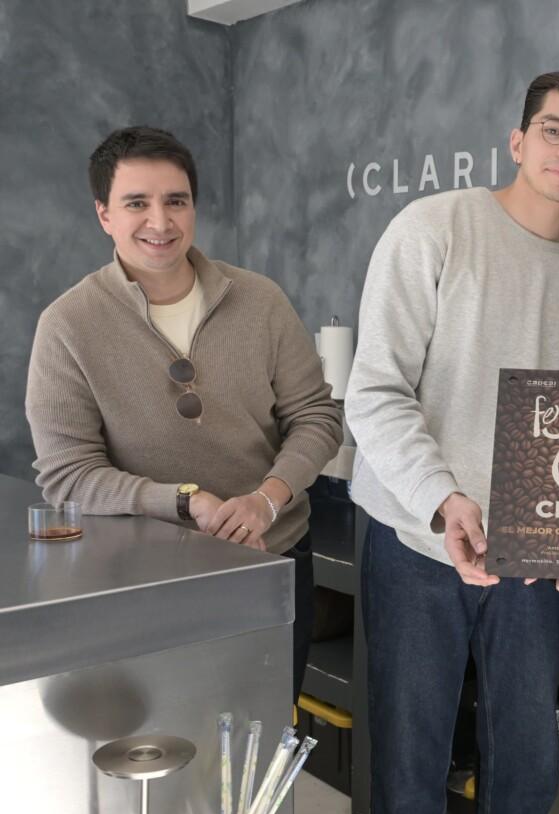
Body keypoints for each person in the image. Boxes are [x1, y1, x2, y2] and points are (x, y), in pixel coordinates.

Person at [344, 71, 559, 814]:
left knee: (527, 770)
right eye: (554, 131)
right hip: (417, 540)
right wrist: (444, 499)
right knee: (409, 766)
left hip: (530, 567)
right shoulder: (433, 228)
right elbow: (375, 391)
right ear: (519, 141)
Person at [25, 125, 342, 702]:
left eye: (176, 200)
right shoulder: (68, 325)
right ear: (103, 214)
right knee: (161, 734)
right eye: (136, 203)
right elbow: (68, 474)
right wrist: (186, 500)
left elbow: (316, 417)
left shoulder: (261, 300)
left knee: (268, 729)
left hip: (270, 556)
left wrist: (266, 499)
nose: (161, 221)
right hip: (142, 573)